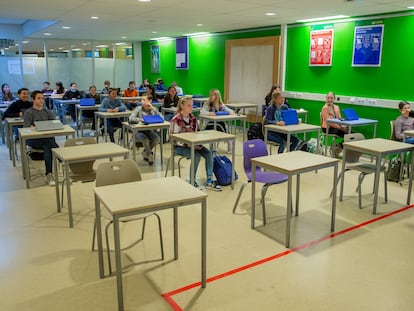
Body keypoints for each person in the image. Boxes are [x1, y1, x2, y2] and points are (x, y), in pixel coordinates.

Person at [170, 96, 222, 191]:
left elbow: (197, 134)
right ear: (182, 106)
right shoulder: (175, 120)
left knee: (208, 154)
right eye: (189, 106)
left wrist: (198, 143)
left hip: (194, 145)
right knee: (196, 156)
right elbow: (175, 140)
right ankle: (192, 181)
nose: (191, 108)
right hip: (179, 147)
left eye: (192, 106)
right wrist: (190, 145)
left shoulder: (193, 118)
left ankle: (209, 181)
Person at [23, 90, 59, 186]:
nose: (41, 100)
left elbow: (54, 124)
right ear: (33, 100)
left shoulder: (48, 112)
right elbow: (26, 128)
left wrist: (35, 126)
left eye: (42, 98)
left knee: (47, 144)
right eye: (39, 98)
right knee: (50, 143)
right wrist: (36, 128)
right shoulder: (28, 112)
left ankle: (49, 173)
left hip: (47, 139)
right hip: (34, 140)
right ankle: (61, 158)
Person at [129, 93, 161, 165]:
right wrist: (140, 119)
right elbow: (131, 118)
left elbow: (161, 118)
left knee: (157, 138)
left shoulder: (153, 109)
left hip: (149, 131)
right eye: (141, 100)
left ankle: (145, 152)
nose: (142, 102)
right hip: (138, 132)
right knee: (145, 139)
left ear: (150, 101)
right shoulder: (138, 109)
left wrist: (153, 109)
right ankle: (149, 155)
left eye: (144, 100)